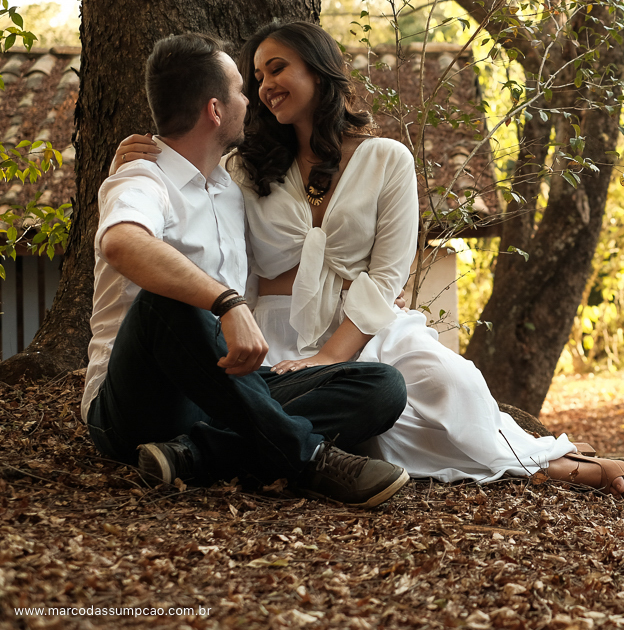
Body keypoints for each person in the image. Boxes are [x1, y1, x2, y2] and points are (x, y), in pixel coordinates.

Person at [115, 21, 624, 497]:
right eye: (255, 77)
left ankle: (539, 460)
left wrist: (333, 355)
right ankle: (555, 470)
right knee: (376, 431)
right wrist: (137, 157)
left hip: (364, 324)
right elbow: (190, 164)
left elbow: (388, 273)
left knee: (451, 385)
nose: (265, 84)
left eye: (278, 67)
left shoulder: (388, 159)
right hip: (276, 331)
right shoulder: (243, 171)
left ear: (319, 70)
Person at [86, 32, 411, 508]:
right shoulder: (141, 178)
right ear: (216, 110)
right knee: (167, 303)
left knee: (381, 386)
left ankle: (194, 456)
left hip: (223, 390)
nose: (251, 98)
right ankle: (312, 458)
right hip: (142, 400)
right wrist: (225, 302)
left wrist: (375, 287)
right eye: (242, 88)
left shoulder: (231, 187)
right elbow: (121, 241)